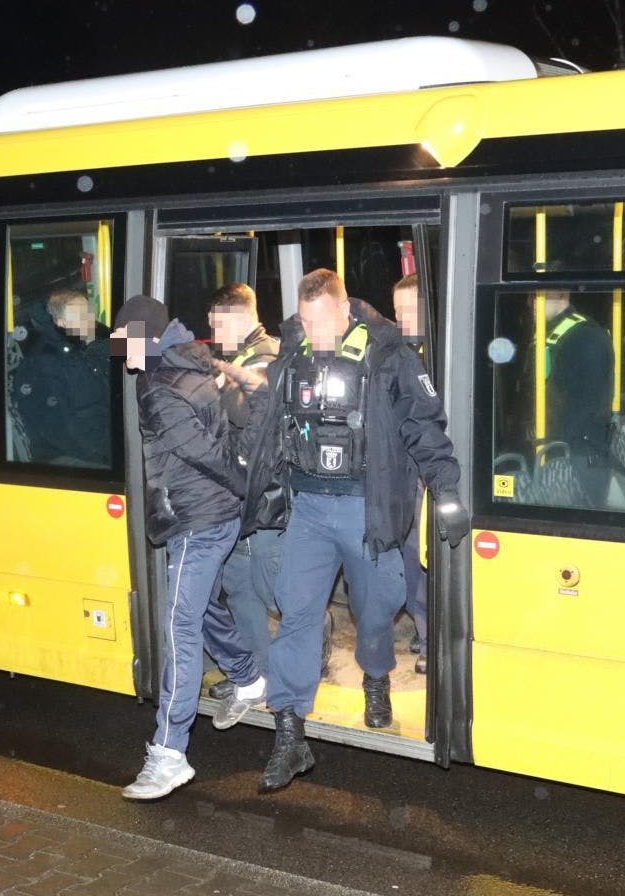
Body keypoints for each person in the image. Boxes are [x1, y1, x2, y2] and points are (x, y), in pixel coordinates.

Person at [234, 268, 469, 793]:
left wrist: (447, 490)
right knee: (297, 614)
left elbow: (424, 427)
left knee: (377, 610)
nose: (315, 333)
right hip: (309, 510)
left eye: (323, 322)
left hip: (369, 509)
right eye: (306, 322)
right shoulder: (292, 352)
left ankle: (376, 675)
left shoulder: (388, 355)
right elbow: (269, 423)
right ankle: (289, 733)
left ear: (345, 310)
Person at [111, 294, 264, 801]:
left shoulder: (159, 386)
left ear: (147, 338)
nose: (120, 351)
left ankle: (170, 752)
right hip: (211, 514)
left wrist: (241, 486)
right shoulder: (190, 362)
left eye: (124, 340)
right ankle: (247, 677)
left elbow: (203, 453)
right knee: (197, 607)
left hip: (198, 520)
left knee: (178, 624)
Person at [204, 284, 283, 703]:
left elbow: (249, 414)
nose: (214, 335)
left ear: (238, 317)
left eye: (218, 325)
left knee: (275, 590)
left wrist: (219, 386)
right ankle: (257, 671)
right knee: (239, 589)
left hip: (267, 499)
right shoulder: (240, 358)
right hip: (238, 496)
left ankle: (316, 637)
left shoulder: (267, 357)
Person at [13, 287, 112, 467]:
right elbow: (63, 429)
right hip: (67, 457)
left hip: (100, 440)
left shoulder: (89, 343)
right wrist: (109, 452)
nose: (90, 320)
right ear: (61, 323)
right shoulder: (44, 362)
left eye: (90, 313)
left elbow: (149, 352)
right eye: (82, 316)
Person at [536, 286, 615, 503]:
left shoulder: (585, 336)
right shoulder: (554, 333)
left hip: (578, 455)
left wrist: (561, 441)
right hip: (559, 449)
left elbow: (590, 401)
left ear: (563, 294)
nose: (532, 303)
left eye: (541, 295)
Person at [391, 274, 429, 675]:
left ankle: (430, 637)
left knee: (421, 558)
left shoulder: (437, 353)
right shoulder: (400, 353)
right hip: (402, 474)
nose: (401, 318)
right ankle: (422, 627)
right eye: (396, 310)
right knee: (407, 557)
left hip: (424, 475)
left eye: (408, 310)